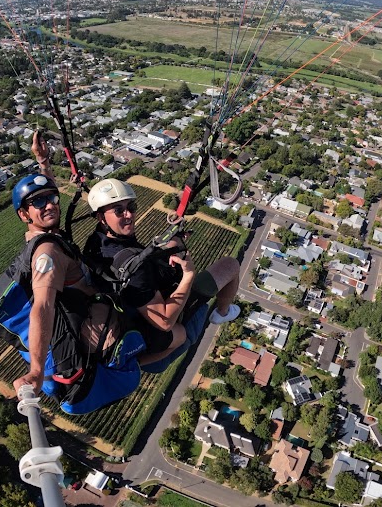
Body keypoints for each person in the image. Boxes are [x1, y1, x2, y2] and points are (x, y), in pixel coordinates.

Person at [83, 178, 241, 366]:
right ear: (101, 217)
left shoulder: (97, 243)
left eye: (131, 206)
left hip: (129, 312)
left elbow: (141, 262)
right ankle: (222, 313)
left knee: (174, 243)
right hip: (156, 333)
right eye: (118, 210)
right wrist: (188, 277)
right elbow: (164, 321)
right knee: (230, 266)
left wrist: (174, 237)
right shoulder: (135, 269)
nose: (129, 214)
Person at [12, 132, 111, 395]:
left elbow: (47, 193)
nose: (50, 206)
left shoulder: (49, 234)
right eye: (38, 202)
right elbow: (43, 306)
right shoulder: (47, 252)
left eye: (52, 198)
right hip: (90, 318)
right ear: (24, 214)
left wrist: (43, 162)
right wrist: (36, 369)